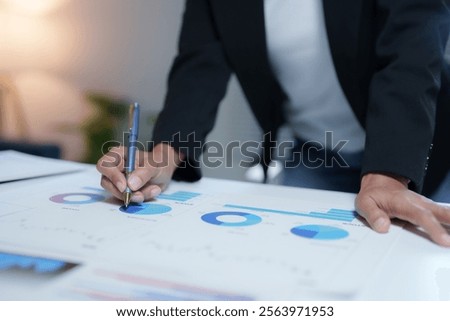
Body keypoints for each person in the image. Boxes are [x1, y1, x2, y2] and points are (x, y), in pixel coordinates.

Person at [97, 0, 450, 247]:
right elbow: (199, 65)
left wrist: (388, 174)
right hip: (317, 152)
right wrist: (162, 156)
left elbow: (413, 49)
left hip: (422, 149)